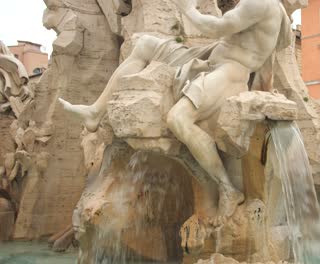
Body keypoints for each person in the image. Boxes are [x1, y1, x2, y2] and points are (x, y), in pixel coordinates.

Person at [58, 0, 292, 224]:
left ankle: (227, 189)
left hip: (230, 71)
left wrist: (188, 9)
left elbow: (216, 27)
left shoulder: (260, 2)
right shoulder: (273, 9)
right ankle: (95, 112)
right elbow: (270, 48)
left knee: (178, 119)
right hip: (210, 56)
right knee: (145, 45)